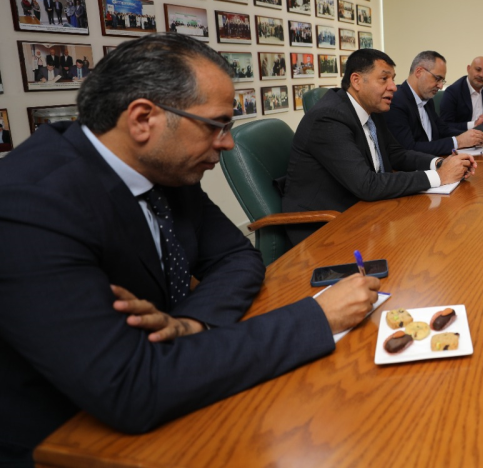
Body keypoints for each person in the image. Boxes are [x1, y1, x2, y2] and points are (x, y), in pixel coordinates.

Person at [0, 34, 383, 467]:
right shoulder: (28, 205)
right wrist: (316, 318)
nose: (228, 143)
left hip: (174, 386)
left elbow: (237, 257)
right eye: (216, 125)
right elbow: (130, 387)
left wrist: (192, 323)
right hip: (67, 440)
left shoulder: (160, 165)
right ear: (143, 119)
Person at [281, 49, 476, 245]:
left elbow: (397, 154)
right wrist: (440, 177)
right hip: (324, 229)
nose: (393, 87)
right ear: (356, 81)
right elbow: (367, 184)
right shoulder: (328, 118)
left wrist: (439, 163)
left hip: (365, 212)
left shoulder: (371, 109)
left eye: (393, 79)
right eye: (384, 79)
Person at [386, 51, 483, 157]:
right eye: (437, 78)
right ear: (419, 72)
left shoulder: (427, 98)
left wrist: (472, 135)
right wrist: (458, 142)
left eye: (442, 81)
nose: (440, 86)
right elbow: (409, 149)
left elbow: (442, 129)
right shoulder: (396, 101)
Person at [438, 55, 483, 131]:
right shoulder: (453, 91)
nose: (481, 75)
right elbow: (446, 125)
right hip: (463, 135)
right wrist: (474, 124)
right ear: (468, 69)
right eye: (478, 70)